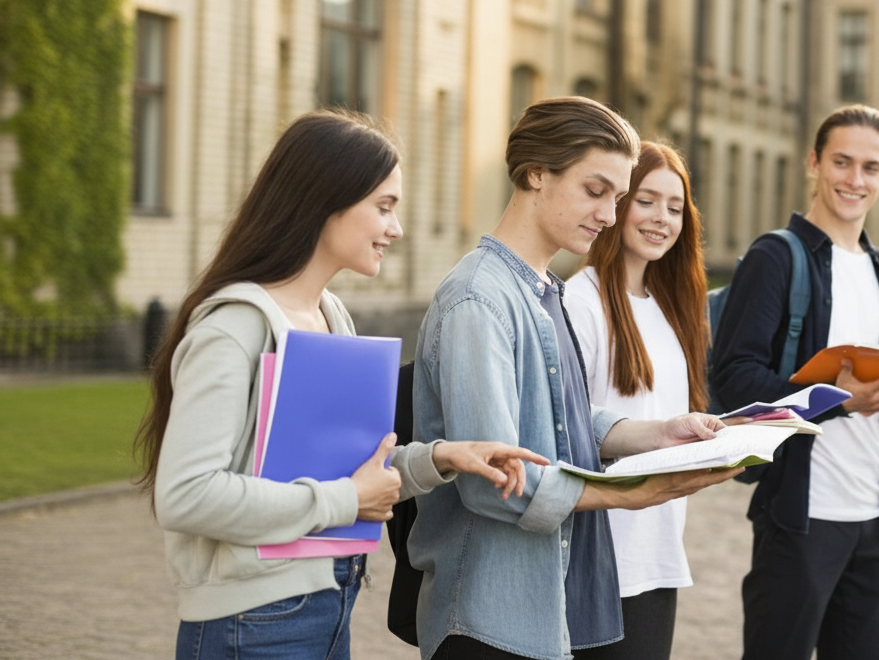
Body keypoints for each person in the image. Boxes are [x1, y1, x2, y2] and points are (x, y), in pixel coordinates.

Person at [134, 109, 547, 660]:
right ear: (324, 201)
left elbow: (351, 471)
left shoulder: (332, 315)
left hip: (329, 603)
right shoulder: (233, 329)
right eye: (384, 207)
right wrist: (348, 497)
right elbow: (186, 496)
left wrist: (443, 458)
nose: (395, 229)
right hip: (250, 623)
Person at [409, 97, 741, 660]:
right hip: (487, 622)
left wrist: (661, 433)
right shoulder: (479, 298)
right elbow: (497, 477)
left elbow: (561, 419)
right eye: (596, 191)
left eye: (617, 197)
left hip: (542, 610)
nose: (611, 216)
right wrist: (633, 493)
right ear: (537, 173)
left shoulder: (542, 289)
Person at [710, 104, 879, 660]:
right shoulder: (774, 258)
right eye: (842, 162)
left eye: (871, 168)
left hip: (877, 521)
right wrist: (838, 401)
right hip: (801, 518)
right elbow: (735, 380)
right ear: (814, 162)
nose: (856, 180)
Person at [564, 141, 709, 660]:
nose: (661, 219)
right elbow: (569, 432)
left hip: (658, 553)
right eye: (647, 200)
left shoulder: (673, 310)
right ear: (619, 204)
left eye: (675, 207)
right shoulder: (579, 302)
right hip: (595, 562)